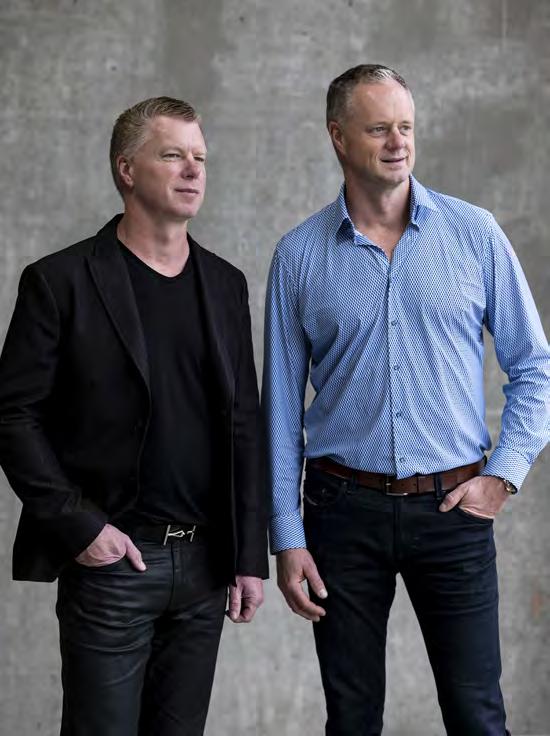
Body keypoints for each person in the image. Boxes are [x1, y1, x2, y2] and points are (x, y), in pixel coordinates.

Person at [262, 64, 550, 735]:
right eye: (378, 129)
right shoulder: (299, 256)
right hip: (340, 514)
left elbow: (535, 366)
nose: (398, 143)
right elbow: (278, 411)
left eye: (406, 127)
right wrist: (287, 535)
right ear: (338, 136)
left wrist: (503, 474)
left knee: (478, 717)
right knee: (351, 721)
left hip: (453, 511)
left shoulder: (474, 234)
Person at [0, 96, 267, 736]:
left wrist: (248, 553)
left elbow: (244, 425)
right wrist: (81, 526)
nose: (193, 170)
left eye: (200, 157)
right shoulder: (60, 281)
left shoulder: (225, 284)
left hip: (205, 565)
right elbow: (12, 415)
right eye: (173, 155)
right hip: (115, 562)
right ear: (126, 169)